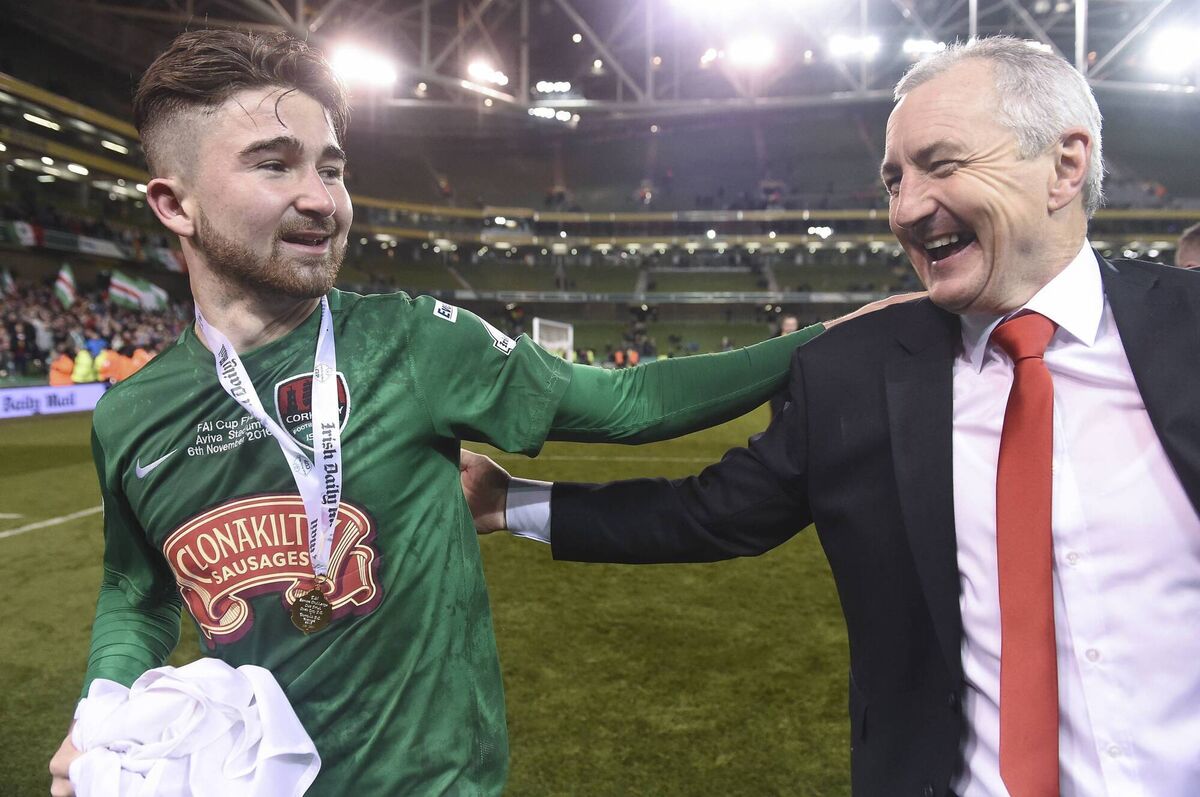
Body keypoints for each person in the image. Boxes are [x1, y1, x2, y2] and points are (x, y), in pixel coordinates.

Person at [46, 29, 911, 797]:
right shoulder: (130, 415)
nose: (323, 198)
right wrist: (103, 705)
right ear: (174, 204)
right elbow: (137, 587)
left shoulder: (415, 341)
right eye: (275, 164)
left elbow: (633, 402)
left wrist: (829, 338)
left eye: (333, 167)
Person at [461, 37, 1200, 797]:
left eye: (941, 165)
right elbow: (709, 514)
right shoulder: (856, 370)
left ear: (1065, 165)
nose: (906, 209)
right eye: (894, 179)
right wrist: (510, 501)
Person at [768, 314, 800, 420]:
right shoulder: (773, 342)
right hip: (778, 389)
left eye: (793, 325)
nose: (790, 328)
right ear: (783, 326)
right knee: (777, 418)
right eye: (788, 324)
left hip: (796, 388)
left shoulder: (803, 342)